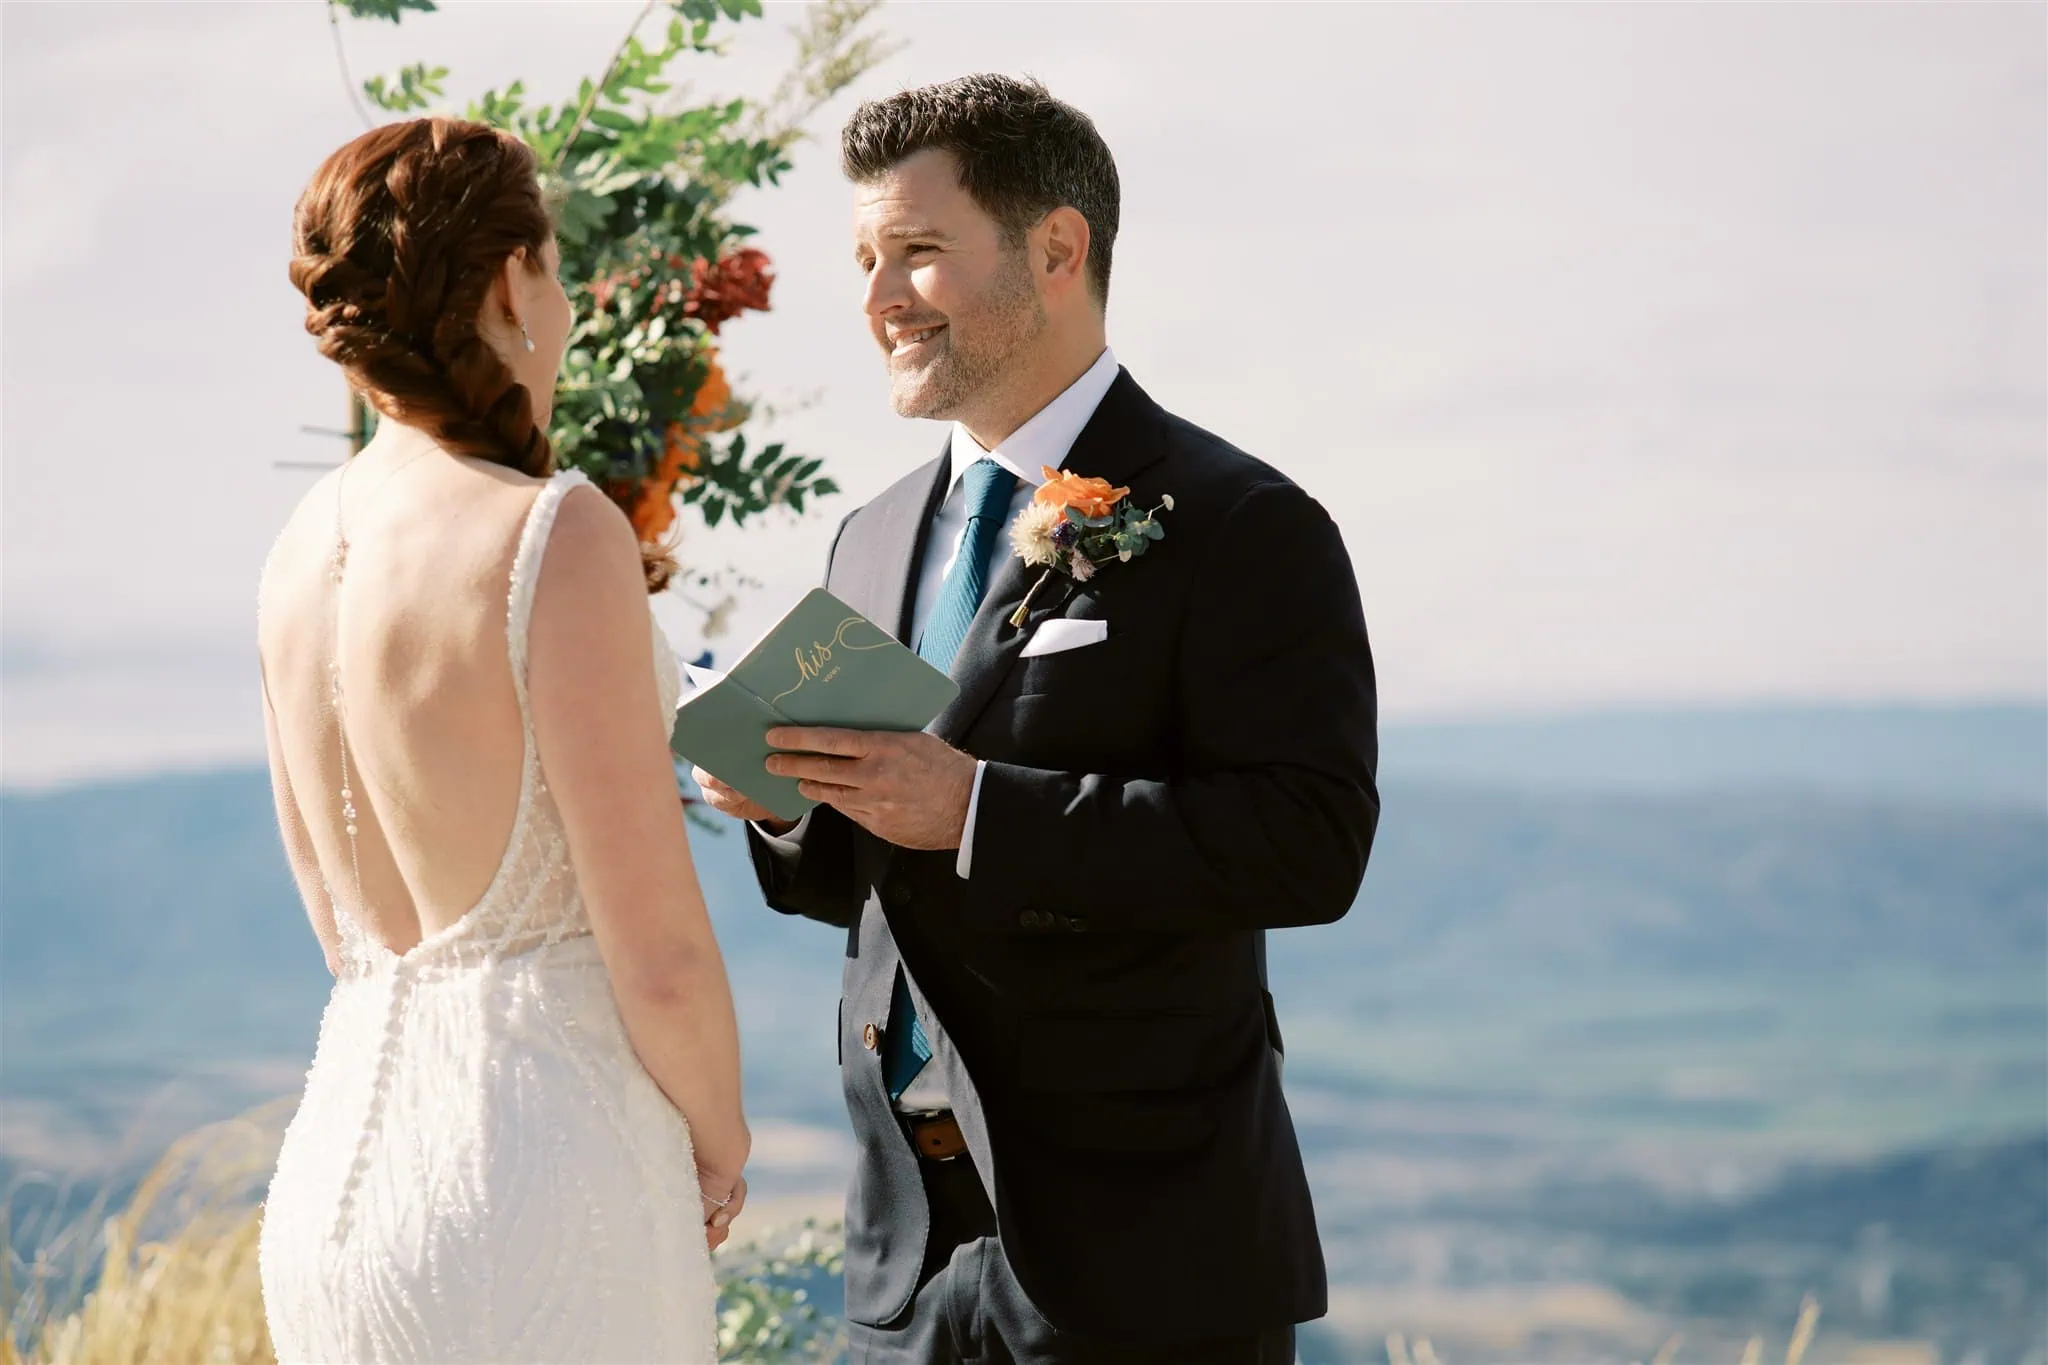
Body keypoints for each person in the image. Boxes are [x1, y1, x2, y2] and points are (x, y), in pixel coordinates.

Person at [695, 75, 1380, 1365]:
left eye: (919, 251)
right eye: (865, 259)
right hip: (900, 1263)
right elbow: (848, 880)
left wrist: (975, 811)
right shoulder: (872, 535)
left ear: (1056, 248)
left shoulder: (1242, 523)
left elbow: (1309, 842)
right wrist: (783, 799)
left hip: (1143, 1263)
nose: (878, 297)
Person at [256, 116, 744, 1363]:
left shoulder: (296, 553)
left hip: (337, 1185)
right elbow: (662, 955)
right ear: (513, 280)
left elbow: (332, 924)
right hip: (537, 1173)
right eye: (556, 264)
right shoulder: (551, 532)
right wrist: (720, 1143)